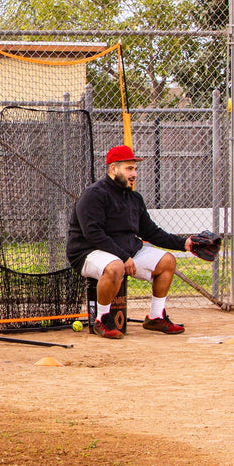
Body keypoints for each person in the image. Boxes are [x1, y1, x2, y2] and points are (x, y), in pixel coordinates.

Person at [66, 144, 195, 339]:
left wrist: (185, 244)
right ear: (113, 169)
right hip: (88, 251)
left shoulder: (134, 198)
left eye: (135, 169)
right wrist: (123, 256)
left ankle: (155, 317)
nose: (134, 173)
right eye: (129, 168)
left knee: (167, 261)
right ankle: (102, 320)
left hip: (123, 252)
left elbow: (151, 232)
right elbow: (93, 234)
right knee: (116, 266)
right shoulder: (94, 194)